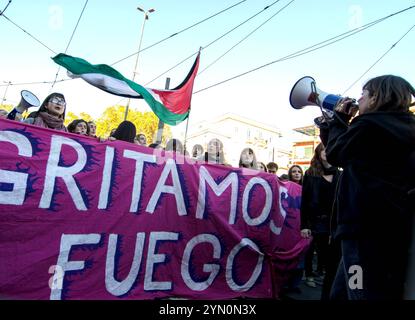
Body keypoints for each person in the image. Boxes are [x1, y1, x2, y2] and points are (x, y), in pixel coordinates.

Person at [325, 75, 415, 300]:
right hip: (393, 226)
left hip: (362, 229)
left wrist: (339, 119)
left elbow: (336, 154)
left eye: (363, 95)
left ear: (375, 98)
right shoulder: (408, 128)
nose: (359, 100)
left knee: (360, 290)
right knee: (344, 291)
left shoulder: (368, 125)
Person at [300, 143, 341, 295]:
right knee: (310, 250)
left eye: (330, 148)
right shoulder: (310, 174)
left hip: (332, 223)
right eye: (324, 149)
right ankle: (309, 274)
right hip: (314, 220)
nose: (327, 151)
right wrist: (303, 225)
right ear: (318, 153)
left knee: (329, 255)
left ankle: (326, 280)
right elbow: (304, 202)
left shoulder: (340, 174)